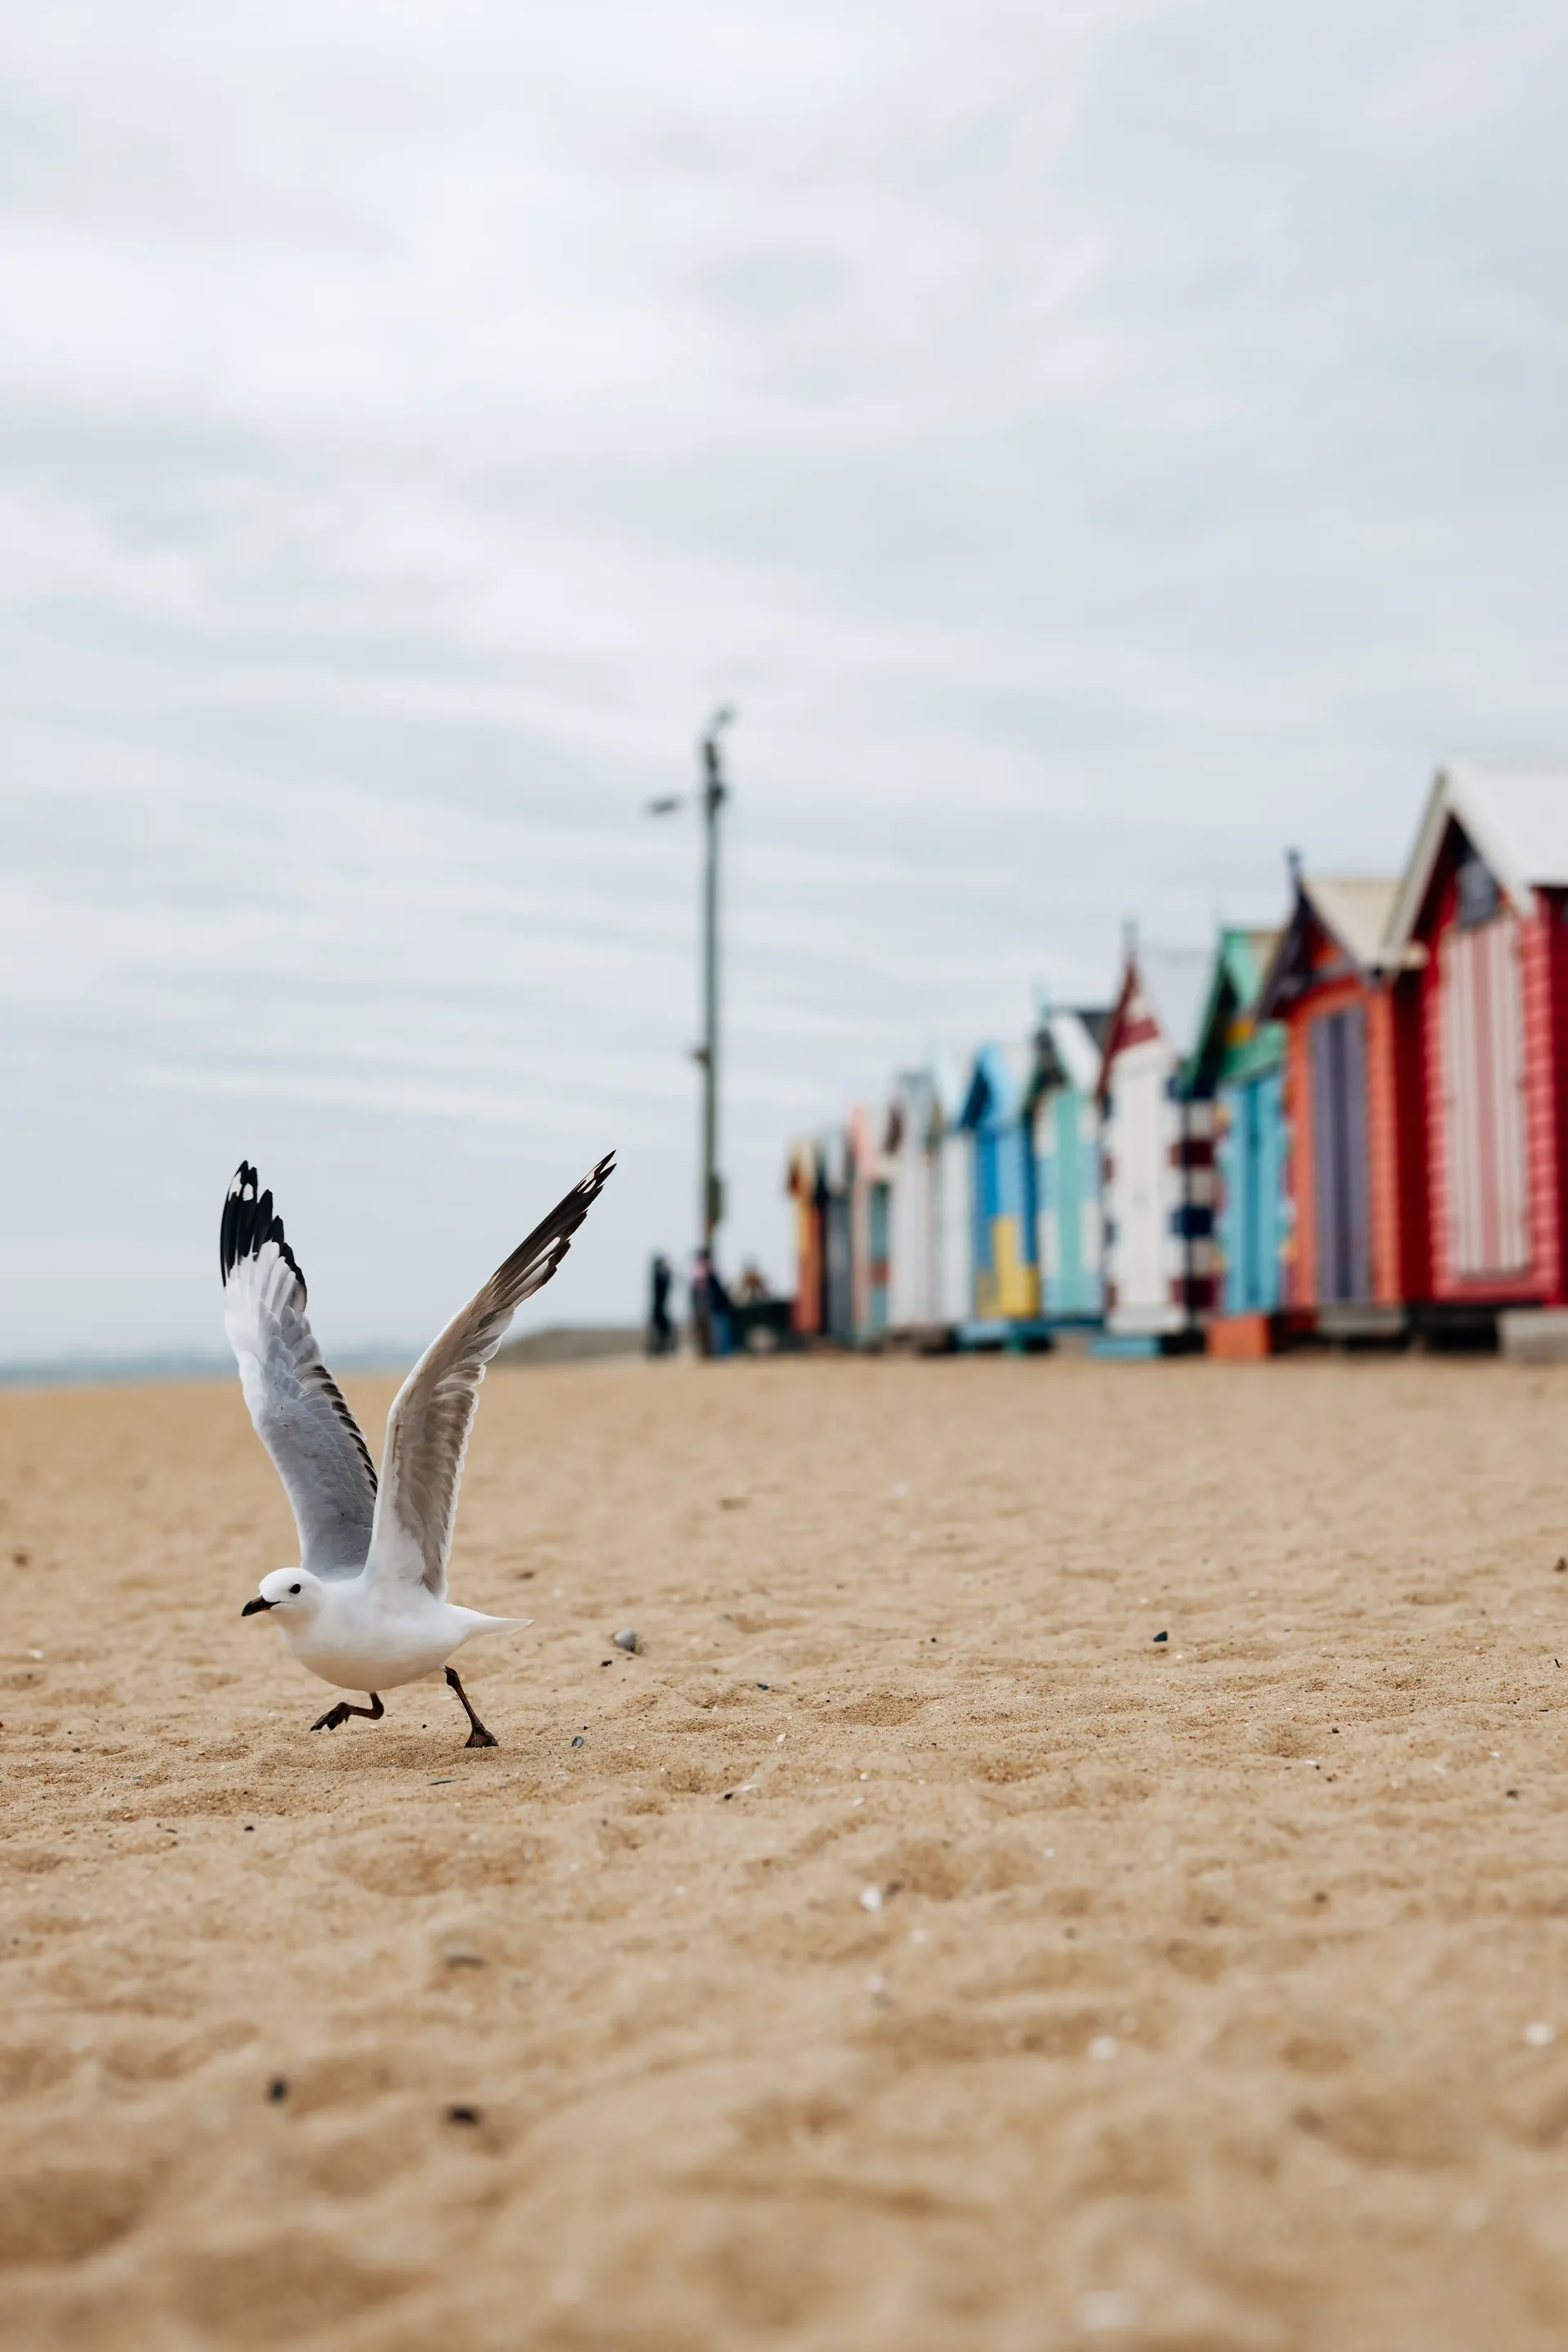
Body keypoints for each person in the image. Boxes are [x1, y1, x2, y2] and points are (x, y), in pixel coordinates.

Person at [648, 1254, 675, 1357]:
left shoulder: (657, 1275)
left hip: (660, 1308)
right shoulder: (658, 1276)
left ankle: (659, 1350)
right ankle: (658, 1350)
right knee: (662, 1330)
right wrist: (669, 1274)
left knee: (662, 1331)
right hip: (659, 1309)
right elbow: (665, 1286)